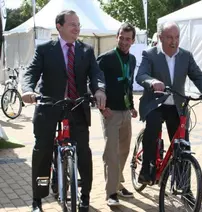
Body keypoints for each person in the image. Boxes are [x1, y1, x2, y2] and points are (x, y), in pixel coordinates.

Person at [21, 10, 106, 212]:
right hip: (49, 106)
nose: (77, 28)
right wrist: (28, 90)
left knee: (84, 153)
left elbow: (96, 73)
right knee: (42, 152)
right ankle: (38, 200)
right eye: (72, 24)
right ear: (59, 26)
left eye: (78, 24)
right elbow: (31, 73)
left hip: (76, 107)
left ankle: (84, 197)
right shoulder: (44, 49)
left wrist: (100, 89)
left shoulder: (86, 50)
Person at [136, 21, 202, 187]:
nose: (174, 41)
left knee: (182, 144)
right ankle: (146, 170)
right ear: (160, 38)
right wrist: (152, 82)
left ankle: (183, 187)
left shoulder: (186, 56)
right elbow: (141, 75)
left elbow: (198, 76)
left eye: (177, 37)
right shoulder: (150, 54)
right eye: (169, 37)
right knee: (153, 129)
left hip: (177, 106)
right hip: (155, 103)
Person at [96, 23, 137, 206]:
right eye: (122, 37)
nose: (124, 42)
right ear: (117, 37)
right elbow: (95, 83)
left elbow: (127, 84)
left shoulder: (133, 59)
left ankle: (118, 184)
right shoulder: (105, 59)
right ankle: (111, 193)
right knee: (111, 153)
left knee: (124, 150)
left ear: (133, 40)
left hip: (126, 111)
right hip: (110, 112)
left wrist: (132, 106)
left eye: (128, 39)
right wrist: (102, 108)